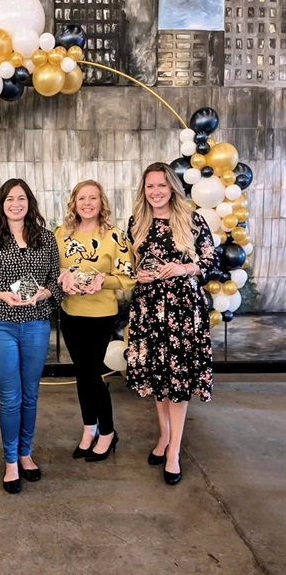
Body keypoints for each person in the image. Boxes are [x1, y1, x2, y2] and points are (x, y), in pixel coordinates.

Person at [125, 162, 219, 485]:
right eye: (150, 186)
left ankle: (174, 452)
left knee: (177, 383)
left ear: (173, 188)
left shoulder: (193, 221)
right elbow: (129, 264)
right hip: (149, 310)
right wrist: (136, 274)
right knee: (158, 378)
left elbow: (210, 263)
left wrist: (184, 268)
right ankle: (164, 436)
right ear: (144, 189)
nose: (156, 192)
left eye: (162, 185)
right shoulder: (137, 222)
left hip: (181, 310)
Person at [0, 179, 63, 494]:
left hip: (36, 324)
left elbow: (56, 280)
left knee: (31, 395)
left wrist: (43, 293)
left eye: (21, 198)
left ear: (30, 203)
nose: (16, 203)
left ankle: (26, 454)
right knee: (10, 398)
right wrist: (2, 296)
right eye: (10, 198)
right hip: (1, 325)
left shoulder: (46, 239)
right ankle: (10, 461)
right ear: (1, 203)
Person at [55, 180, 135, 462]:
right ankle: (89, 428)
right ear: (73, 203)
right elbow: (52, 270)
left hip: (101, 316)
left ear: (102, 203)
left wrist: (104, 280)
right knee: (82, 373)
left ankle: (108, 431)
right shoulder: (61, 234)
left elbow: (128, 278)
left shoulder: (114, 236)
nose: (87, 203)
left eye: (93, 198)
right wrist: (61, 279)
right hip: (71, 314)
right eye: (81, 198)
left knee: (91, 374)